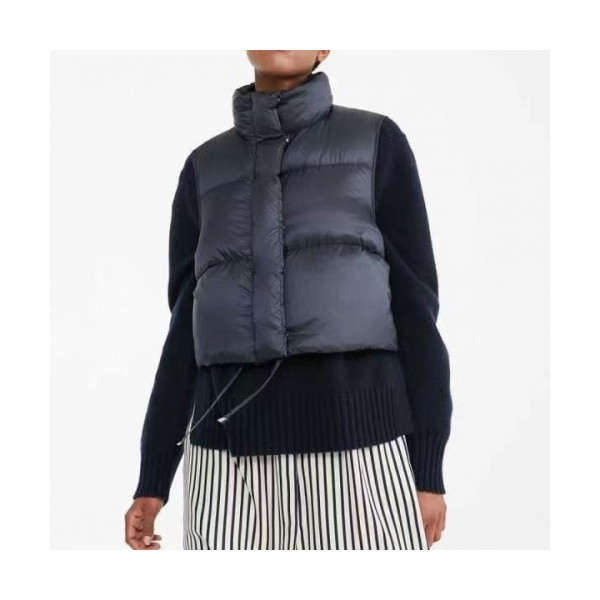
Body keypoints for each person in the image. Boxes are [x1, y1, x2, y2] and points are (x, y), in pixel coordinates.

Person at [125, 50, 453, 550]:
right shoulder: (203, 168)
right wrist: (152, 480)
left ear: (324, 46)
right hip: (226, 469)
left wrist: (428, 468)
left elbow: (417, 311)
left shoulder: (375, 141)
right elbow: (183, 337)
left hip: (360, 453)